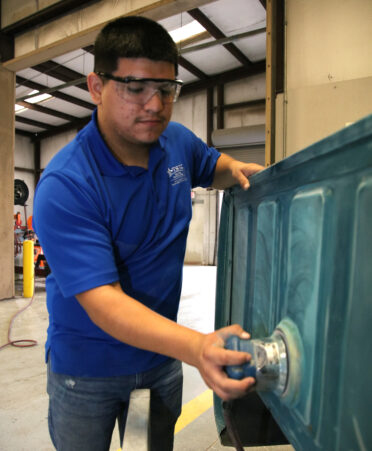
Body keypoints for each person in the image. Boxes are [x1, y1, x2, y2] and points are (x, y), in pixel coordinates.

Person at [33, 15, 264, 451]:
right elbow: (104, 304)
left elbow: (208, 163)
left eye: (166, 89)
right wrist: (197, 348)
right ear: (97, 87)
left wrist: (234, 169)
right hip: (87, 372)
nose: (154, 105)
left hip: (159, 361)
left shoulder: (175, 142)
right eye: (135, 88)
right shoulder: (67, 185)